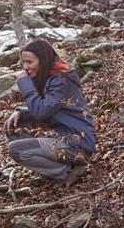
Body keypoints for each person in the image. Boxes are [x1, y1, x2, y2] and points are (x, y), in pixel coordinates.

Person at [6, 38, 96, 185]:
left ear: (43, 60)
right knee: (13, 126)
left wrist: (24, 82)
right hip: (60, 133)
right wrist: (21, 112)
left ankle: (65, 170)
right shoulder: (48, 76)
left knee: (16, 150)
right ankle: (52, 169)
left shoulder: (62, 79)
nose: (25, 67)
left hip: (78, 144)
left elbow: (41, 111)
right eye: (24, 62)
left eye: (30, 62)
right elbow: (47, 107)